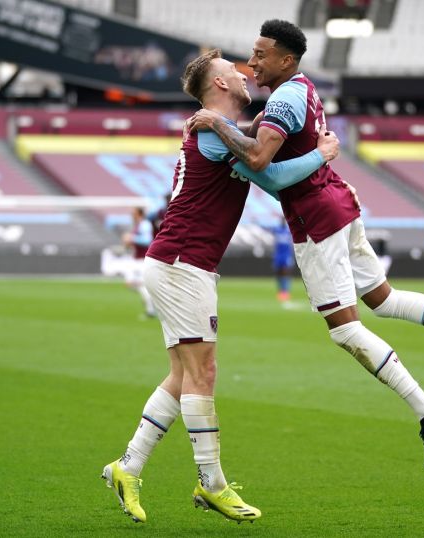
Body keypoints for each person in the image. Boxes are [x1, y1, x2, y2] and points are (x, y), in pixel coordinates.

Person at [188, 19, 424, 472]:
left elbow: (258, 158)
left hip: (316, 216)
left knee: (345, 329)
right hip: (338, 201)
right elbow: (270, 157)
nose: (252, 63)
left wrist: (215, 122)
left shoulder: (284, 99)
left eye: (261, 54)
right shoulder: (302, 89)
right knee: (383, 301)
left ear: (287, 60)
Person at [102, 48, 340, 525]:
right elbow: (268, 173)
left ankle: (126, 467)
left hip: (183, 261)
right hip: (181, 261)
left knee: (182, 376)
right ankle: (211, 483)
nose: (244, 71)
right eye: (232, 70)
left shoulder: (217, 129)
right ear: (221, 87)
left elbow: (253, 143)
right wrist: (321, 155)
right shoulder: (211, 134)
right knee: (203, 372)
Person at [123, 207, 157, 319]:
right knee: (131, 283)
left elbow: (147, 240)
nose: (131, 214)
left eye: (134, 212)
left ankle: (151, 309)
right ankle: (151, 304)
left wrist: (132, 238)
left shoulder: (145, 224)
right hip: (136, 259)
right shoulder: (137, 225)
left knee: (142, 285)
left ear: (139, 213)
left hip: (143, 259)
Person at [272, 217, 294, 301]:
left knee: (285, 273)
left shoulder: (288, 231)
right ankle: (280, 291)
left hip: (286, 255)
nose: (282, 222)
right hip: (278, 255)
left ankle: (285, 292)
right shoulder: (277, 230)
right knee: (278, 273)